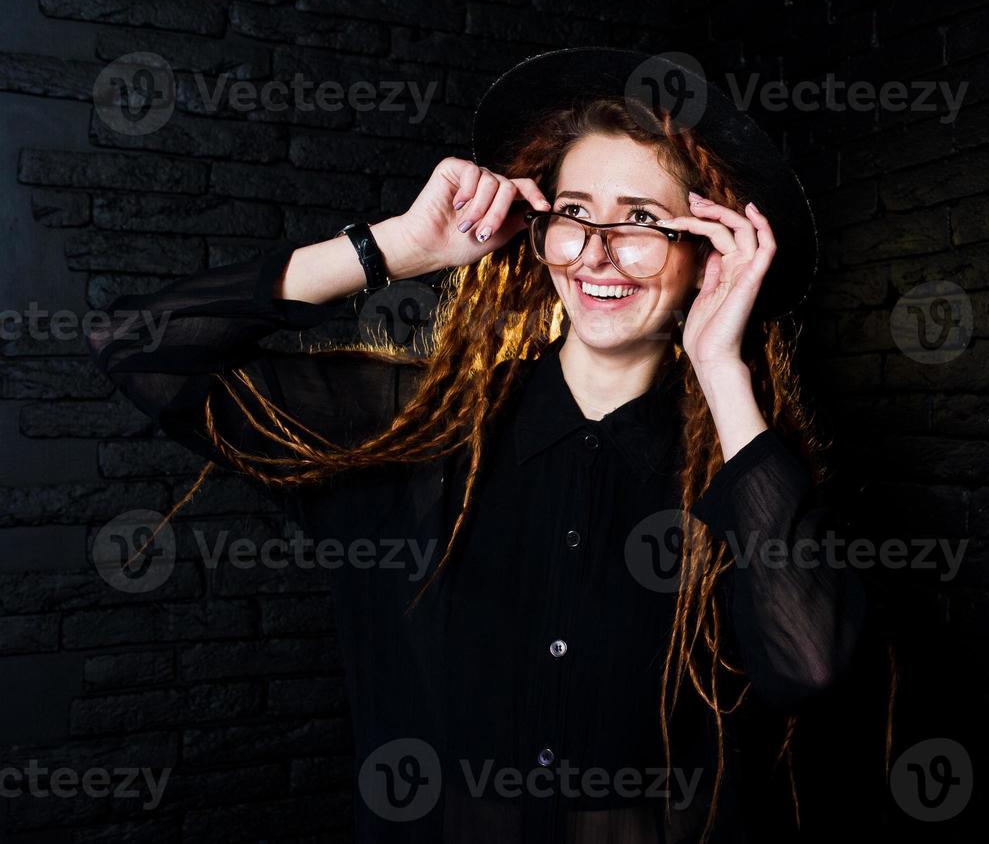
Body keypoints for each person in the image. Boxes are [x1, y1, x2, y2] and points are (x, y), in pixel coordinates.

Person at [86, 50, 869, 843]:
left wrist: (719, 367)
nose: (597, 252)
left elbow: (805, 666)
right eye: (574, 211)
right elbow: (137, 346)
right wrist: (392, 249)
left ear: (709, 248)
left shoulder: (744, 470)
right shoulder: (414, 428)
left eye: (640, 220)